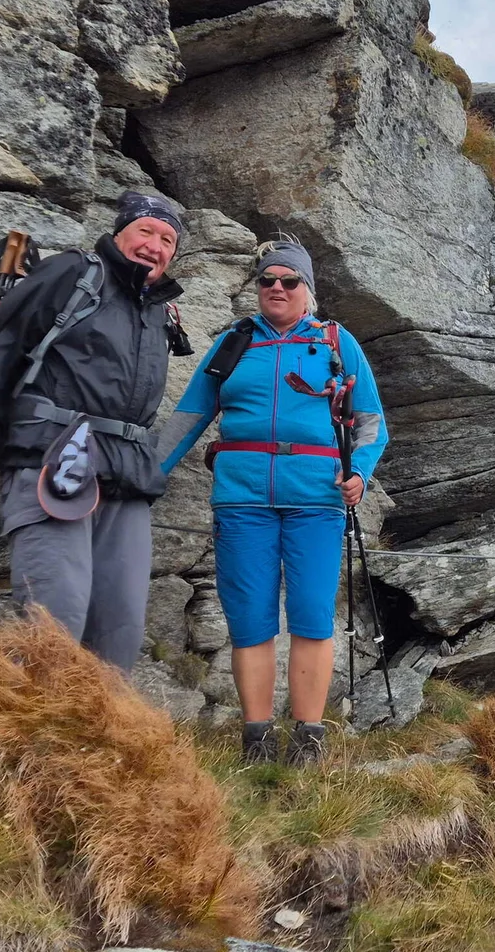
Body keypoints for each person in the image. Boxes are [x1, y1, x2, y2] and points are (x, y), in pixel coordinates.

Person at [0, 191, 190, 672]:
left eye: (168, 240)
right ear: (120, 232)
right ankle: (31, 730)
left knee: (119, 625)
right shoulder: (75, 273)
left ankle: (98, 738)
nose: (155, 246)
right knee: (56, 612)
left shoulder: (158, 311)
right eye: (146, 231)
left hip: (127, 469)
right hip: (56, 453)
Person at [156, 239, 388, 767]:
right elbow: (190, 416)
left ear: (308, 290)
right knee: (250, 618)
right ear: (257, 288)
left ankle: (308, 739)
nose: (277, 288)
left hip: (318, 500)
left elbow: (371, 421)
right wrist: (144, 474)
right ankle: (256, 740)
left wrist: (360, 473)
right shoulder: (233, 343)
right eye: (267, 280)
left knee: (311, 615)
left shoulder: (337, 343)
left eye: (289, 280)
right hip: (241, 501)